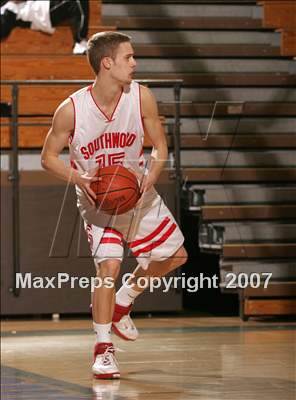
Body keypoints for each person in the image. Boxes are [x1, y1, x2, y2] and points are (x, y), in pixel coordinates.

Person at [41, 31, 188, 379]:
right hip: (98, 202)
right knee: (108, 268)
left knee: (176, 258)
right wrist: (78, 179)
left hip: (138, 193)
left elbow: (160, 146)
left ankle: (124, 301)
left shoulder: (142, 98)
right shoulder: (71, 110)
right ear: (108, 63)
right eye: (128, 57)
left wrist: (152, 173)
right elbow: (48, 158)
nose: (135, 63)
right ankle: (103, 348)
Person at [0, 0, 89, 54]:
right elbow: (4, 30)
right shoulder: (8, 8)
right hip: (37, 11)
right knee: (76, 2)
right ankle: (80, 43)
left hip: (40, 5)